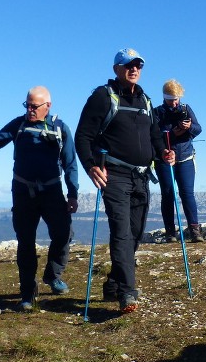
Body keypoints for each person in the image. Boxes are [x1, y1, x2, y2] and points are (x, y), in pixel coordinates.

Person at [0, 87, 79, 311]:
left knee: (64, 234)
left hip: (52, 191)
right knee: (25, 242)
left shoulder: (60, 128)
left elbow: (70, 163)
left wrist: (73, 193)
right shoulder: (19, 125)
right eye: (27, 105)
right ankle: (27, 293)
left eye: (34, 106)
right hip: (23, 192)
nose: (30, 110)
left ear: (48, 106)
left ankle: (53, 275)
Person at [75, 48, 175, 313]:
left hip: (142, 177)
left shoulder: (146, 101)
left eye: (138, 65)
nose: (134, 69)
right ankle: (128, 293)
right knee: (122, 232)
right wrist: (91, 166)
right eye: (128, 65)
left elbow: (154, 136)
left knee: (135, 234)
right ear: (116, 69)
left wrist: (163, 153)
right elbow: (82, 136)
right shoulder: (102, 97)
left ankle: (113, 283)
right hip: (115, 175)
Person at [153, 79, 204, 243]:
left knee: (187, 193)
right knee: (167, 194)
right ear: (164, 97)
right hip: (164, 159)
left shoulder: (186, 109)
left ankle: (195, 230)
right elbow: (154, 137)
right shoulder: (157, 113)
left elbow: (198, 129)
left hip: (185, 157)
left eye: (177, 99)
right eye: (171, 100)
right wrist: (173, 133)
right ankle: (170, 232)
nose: (174, 103)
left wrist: (188, 128)